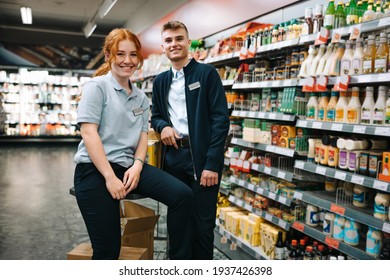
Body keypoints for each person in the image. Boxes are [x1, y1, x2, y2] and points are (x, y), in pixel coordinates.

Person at [73, 28, 193, 260]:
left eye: (133, 55)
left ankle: (178, 263)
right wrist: (109, 177)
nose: (127, 61)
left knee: (183, 195)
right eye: (120, 54)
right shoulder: (96, 87)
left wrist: (138, 165)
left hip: (129, 167)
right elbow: (89, 134)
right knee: (108, 250)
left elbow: (142, 136)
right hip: (95, 171)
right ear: (108, 56)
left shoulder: (140, 97)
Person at [151, 21, 230, 259]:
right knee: (177, 222)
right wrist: (163, 126)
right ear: (163, 46)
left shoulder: (207, 74)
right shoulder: (160, 81)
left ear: (187, 41)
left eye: (178, 38)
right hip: (174, 157)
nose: (174, 44)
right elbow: (155, 116)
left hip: (202, 159)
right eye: (168, 40)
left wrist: (212, 164)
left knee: (203, 226)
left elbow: (220, 120)